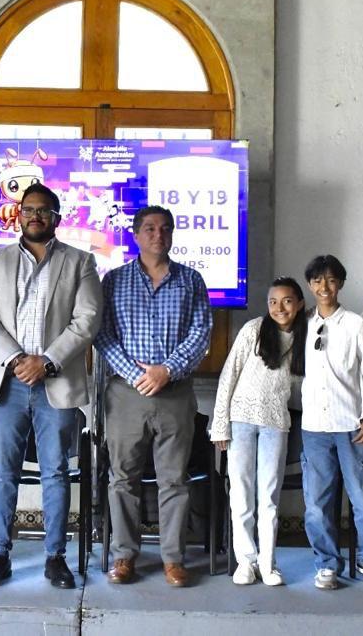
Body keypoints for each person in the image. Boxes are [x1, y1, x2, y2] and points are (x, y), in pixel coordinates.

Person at [0, 183, 102, 589]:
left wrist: (45, 361)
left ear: (57, 217)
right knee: (4, 472)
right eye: (28, 209)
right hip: (7, 383)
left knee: (56, 472)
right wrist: (16, 359)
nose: (35, 216)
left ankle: (55, 557)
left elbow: (88, 318)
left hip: (56, 382)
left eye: (44, 210)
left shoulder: (81, 262)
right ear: (18, 214)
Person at [96, 205, 212, 588]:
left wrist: (166, 371)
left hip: (175, 394)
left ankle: (173, 559)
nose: (157, 235)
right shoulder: (114, 281)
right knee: (122, 480)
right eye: (149, 228)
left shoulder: (191, 280)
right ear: (135, 234)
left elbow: (201, 335)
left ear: (173, 234)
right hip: (126, 394)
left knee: (174, 481)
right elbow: (103, 335)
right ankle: (124, 556)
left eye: (165, 229)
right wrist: (137, 375)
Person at [300, 255, 363, 592]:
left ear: (340, 283)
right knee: (316, 502)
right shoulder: (303, 324)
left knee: (362, 497)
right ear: (310, 285)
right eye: (317, 280)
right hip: (314, 426)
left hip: (352, 424)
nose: (323, 287)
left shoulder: (356, 324)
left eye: (330, 280)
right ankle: (327, 564)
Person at [210, 277, 305, 587]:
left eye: (287, 301)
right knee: (241, 493)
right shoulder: (253, 330)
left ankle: (268, 563)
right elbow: (228, 376)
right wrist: (220, 424)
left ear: (299, 304)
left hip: (276, 422)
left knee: (269, 496)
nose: (280, 307)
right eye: (273, 301)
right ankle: (245, 562)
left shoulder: (303, 337)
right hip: (241, 421)